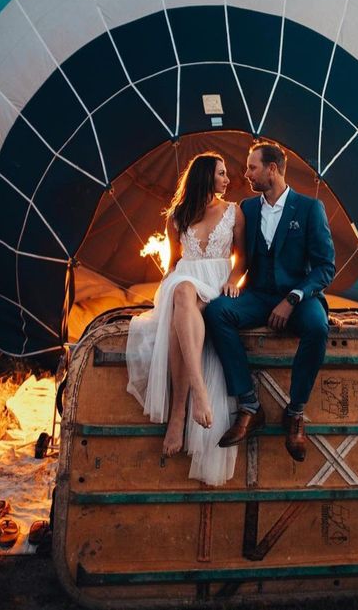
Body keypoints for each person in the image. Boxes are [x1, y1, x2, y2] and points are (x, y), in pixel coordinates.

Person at [205, 141, 336, 462]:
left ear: (272, 169)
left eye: (252, 167)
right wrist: (233, 280)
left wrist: (293, 298)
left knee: (318, 328)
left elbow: (325, 266)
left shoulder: (309, 209)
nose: (246, 173)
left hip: (298, 296)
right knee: (217, 311)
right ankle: (249, 405)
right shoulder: (247, 209)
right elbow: (240, 255)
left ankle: (295, 412)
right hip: (258, 294)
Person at [126, 152, 246, 485]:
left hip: (217, 285)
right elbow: (173, 263)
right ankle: (194, 396)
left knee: (184, 297)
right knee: (180, 293)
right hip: (185, 283)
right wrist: (165, 290)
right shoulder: (177, 217)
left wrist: (234, 281)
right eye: (221, 174)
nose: (227, 180)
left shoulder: (234, 213)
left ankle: (180, 409)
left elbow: (241, 259)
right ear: (206, 177)